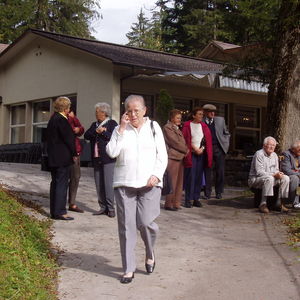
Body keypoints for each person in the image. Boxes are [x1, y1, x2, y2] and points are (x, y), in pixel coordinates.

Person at [106, 95, 168, 284]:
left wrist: (157, 174)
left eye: (136, 110)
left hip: (150, 184)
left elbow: (162, 154)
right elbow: (111, 152)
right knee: (126, 227)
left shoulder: (153, 127)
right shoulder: (119, 130)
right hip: (125, 183)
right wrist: (121, 129)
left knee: (146, 222)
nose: (133, 114)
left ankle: (150, 252)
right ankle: (128, 268)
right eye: (129, 111)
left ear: (144, 110)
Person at [84, 102, 118, 218]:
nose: (95, 113)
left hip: (108, 158)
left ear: (104, 113)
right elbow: (86, 135)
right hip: (96, 158)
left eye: (97, 111)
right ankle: (102, 207)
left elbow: (114, 137)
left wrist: (104, 131)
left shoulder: (112, 123)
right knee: (99, 184)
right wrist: (96, 131)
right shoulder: (94, 124)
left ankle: (111, 209)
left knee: (108, 184)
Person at [47, 96, 76, 221]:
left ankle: (54, 211)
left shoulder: (53, 118)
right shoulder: (62, 120)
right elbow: (69, 139)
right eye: (69, 107)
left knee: (55, 183)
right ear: (66, 108)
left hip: (53, 156)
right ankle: (60, 212)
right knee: (61, 184)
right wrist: (75, 153)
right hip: (62, 157)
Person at [248, 136, 289, 213]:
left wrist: (279, 174)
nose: (272, 147)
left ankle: (279, 202)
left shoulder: (274, 155)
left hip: (270, 178)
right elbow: (259, 172)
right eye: (270, 145)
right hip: (255, 180)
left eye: (273, 145)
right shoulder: (259, 154)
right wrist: (274, 175)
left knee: (286, 178)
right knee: (269, 178)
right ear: (264, 145)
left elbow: (276, 170)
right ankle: (263, 204)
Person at [182, 107, 213, 208]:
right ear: (194, 115)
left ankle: (196, 198)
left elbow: (206, 140)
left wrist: (202, 149)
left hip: (200, 154)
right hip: (191, 154)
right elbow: (186, 140)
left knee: (199, 177)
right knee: (190, 177)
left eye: (202, 114)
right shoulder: (187, 125)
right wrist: (194, 148)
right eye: (199, 114)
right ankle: (188, 199)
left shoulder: (203, 126)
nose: (201, 116)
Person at [203, 104, 230, 199]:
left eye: (214, 111)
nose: (213, 113)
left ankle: (219, 192)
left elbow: (226, 133)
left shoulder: (220, 120)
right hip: (206, 149)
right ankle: (207, 192)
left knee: (220, 171)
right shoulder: (202, 122)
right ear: (205, 112)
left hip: (218, 148)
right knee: (207, 171)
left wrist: (225, 146)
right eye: (210, 111)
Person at [163, 109, 188, 211]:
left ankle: (176, 203)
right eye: (177, 118)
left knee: (179, 182)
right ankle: (169, 204)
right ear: (172, 118)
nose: (179, 120)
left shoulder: (177, 128)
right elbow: (174, 142)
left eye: (180, 118)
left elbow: (181, 141)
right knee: (172, 182)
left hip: (180, 157)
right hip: (172, 157)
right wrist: (186, 149)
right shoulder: (167, 127)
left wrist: (185, 150)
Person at [67, 111, 84, 213]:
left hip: (75, 151)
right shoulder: (58, 117)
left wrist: (78, 128)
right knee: (63, 177)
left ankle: (72, 203)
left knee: (76, 176)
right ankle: (58, 203)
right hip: (65, 152)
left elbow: (81, 130)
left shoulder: (73, 117)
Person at [281, 140, 300, 209]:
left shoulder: (298, 155)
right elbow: (287, 170)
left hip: (297, 174)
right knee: (295, 178)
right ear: (293, 149)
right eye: (299, 149)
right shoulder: (286, 154)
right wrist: (298, 173)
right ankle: (295, 203)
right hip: (288, 175)